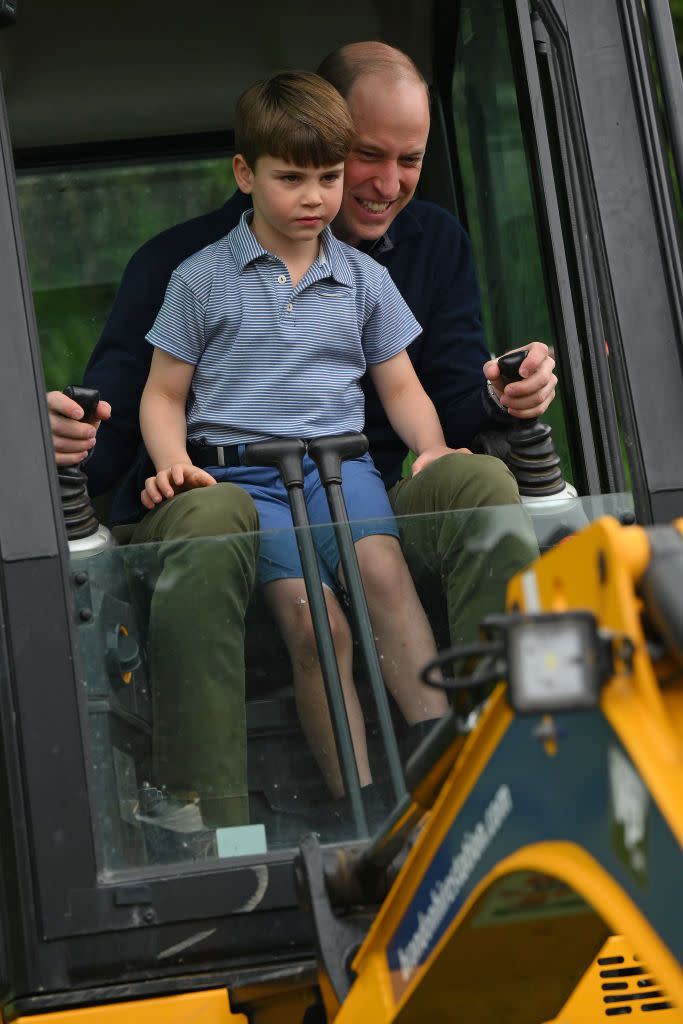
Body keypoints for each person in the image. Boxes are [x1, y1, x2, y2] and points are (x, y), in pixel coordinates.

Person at [47, 41, 556, 845]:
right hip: (231, 487)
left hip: (356, 478)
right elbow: (137, 406)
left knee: (479, 487)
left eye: (409, 160)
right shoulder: (188, 270)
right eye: (361, 158)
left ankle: (497, 775)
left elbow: (431, 389)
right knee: (274, 579)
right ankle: (216, 830)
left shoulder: (414, 254)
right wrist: (74, 438)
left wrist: (497, 396)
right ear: (279, 154)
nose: (382, 185)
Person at [139, 71, 449, 807]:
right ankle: (362, 802)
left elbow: (398, 385)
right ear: (245, 174)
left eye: (329, 178)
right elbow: (162, 392)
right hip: (247, 480)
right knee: (316, 627)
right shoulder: (201, 279)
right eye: (291, 178)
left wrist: (429, 448)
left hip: (342, 467)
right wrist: (174, 466)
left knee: (383, 578)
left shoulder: (364, 279)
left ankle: (447, 770)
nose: (314, 198)